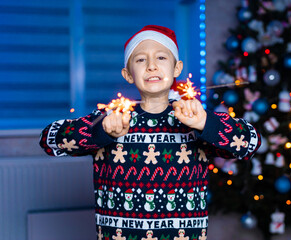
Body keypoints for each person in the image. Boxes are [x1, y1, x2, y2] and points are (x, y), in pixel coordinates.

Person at [39, 25, 261, 239]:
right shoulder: (110, 118)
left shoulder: (195, 118)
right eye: (141, 59)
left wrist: (206, 123)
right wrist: (99, 132)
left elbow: (251, 143)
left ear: (177, 68)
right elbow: (49, 140)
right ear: (128, 74)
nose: (151, 66)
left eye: (161, 57)